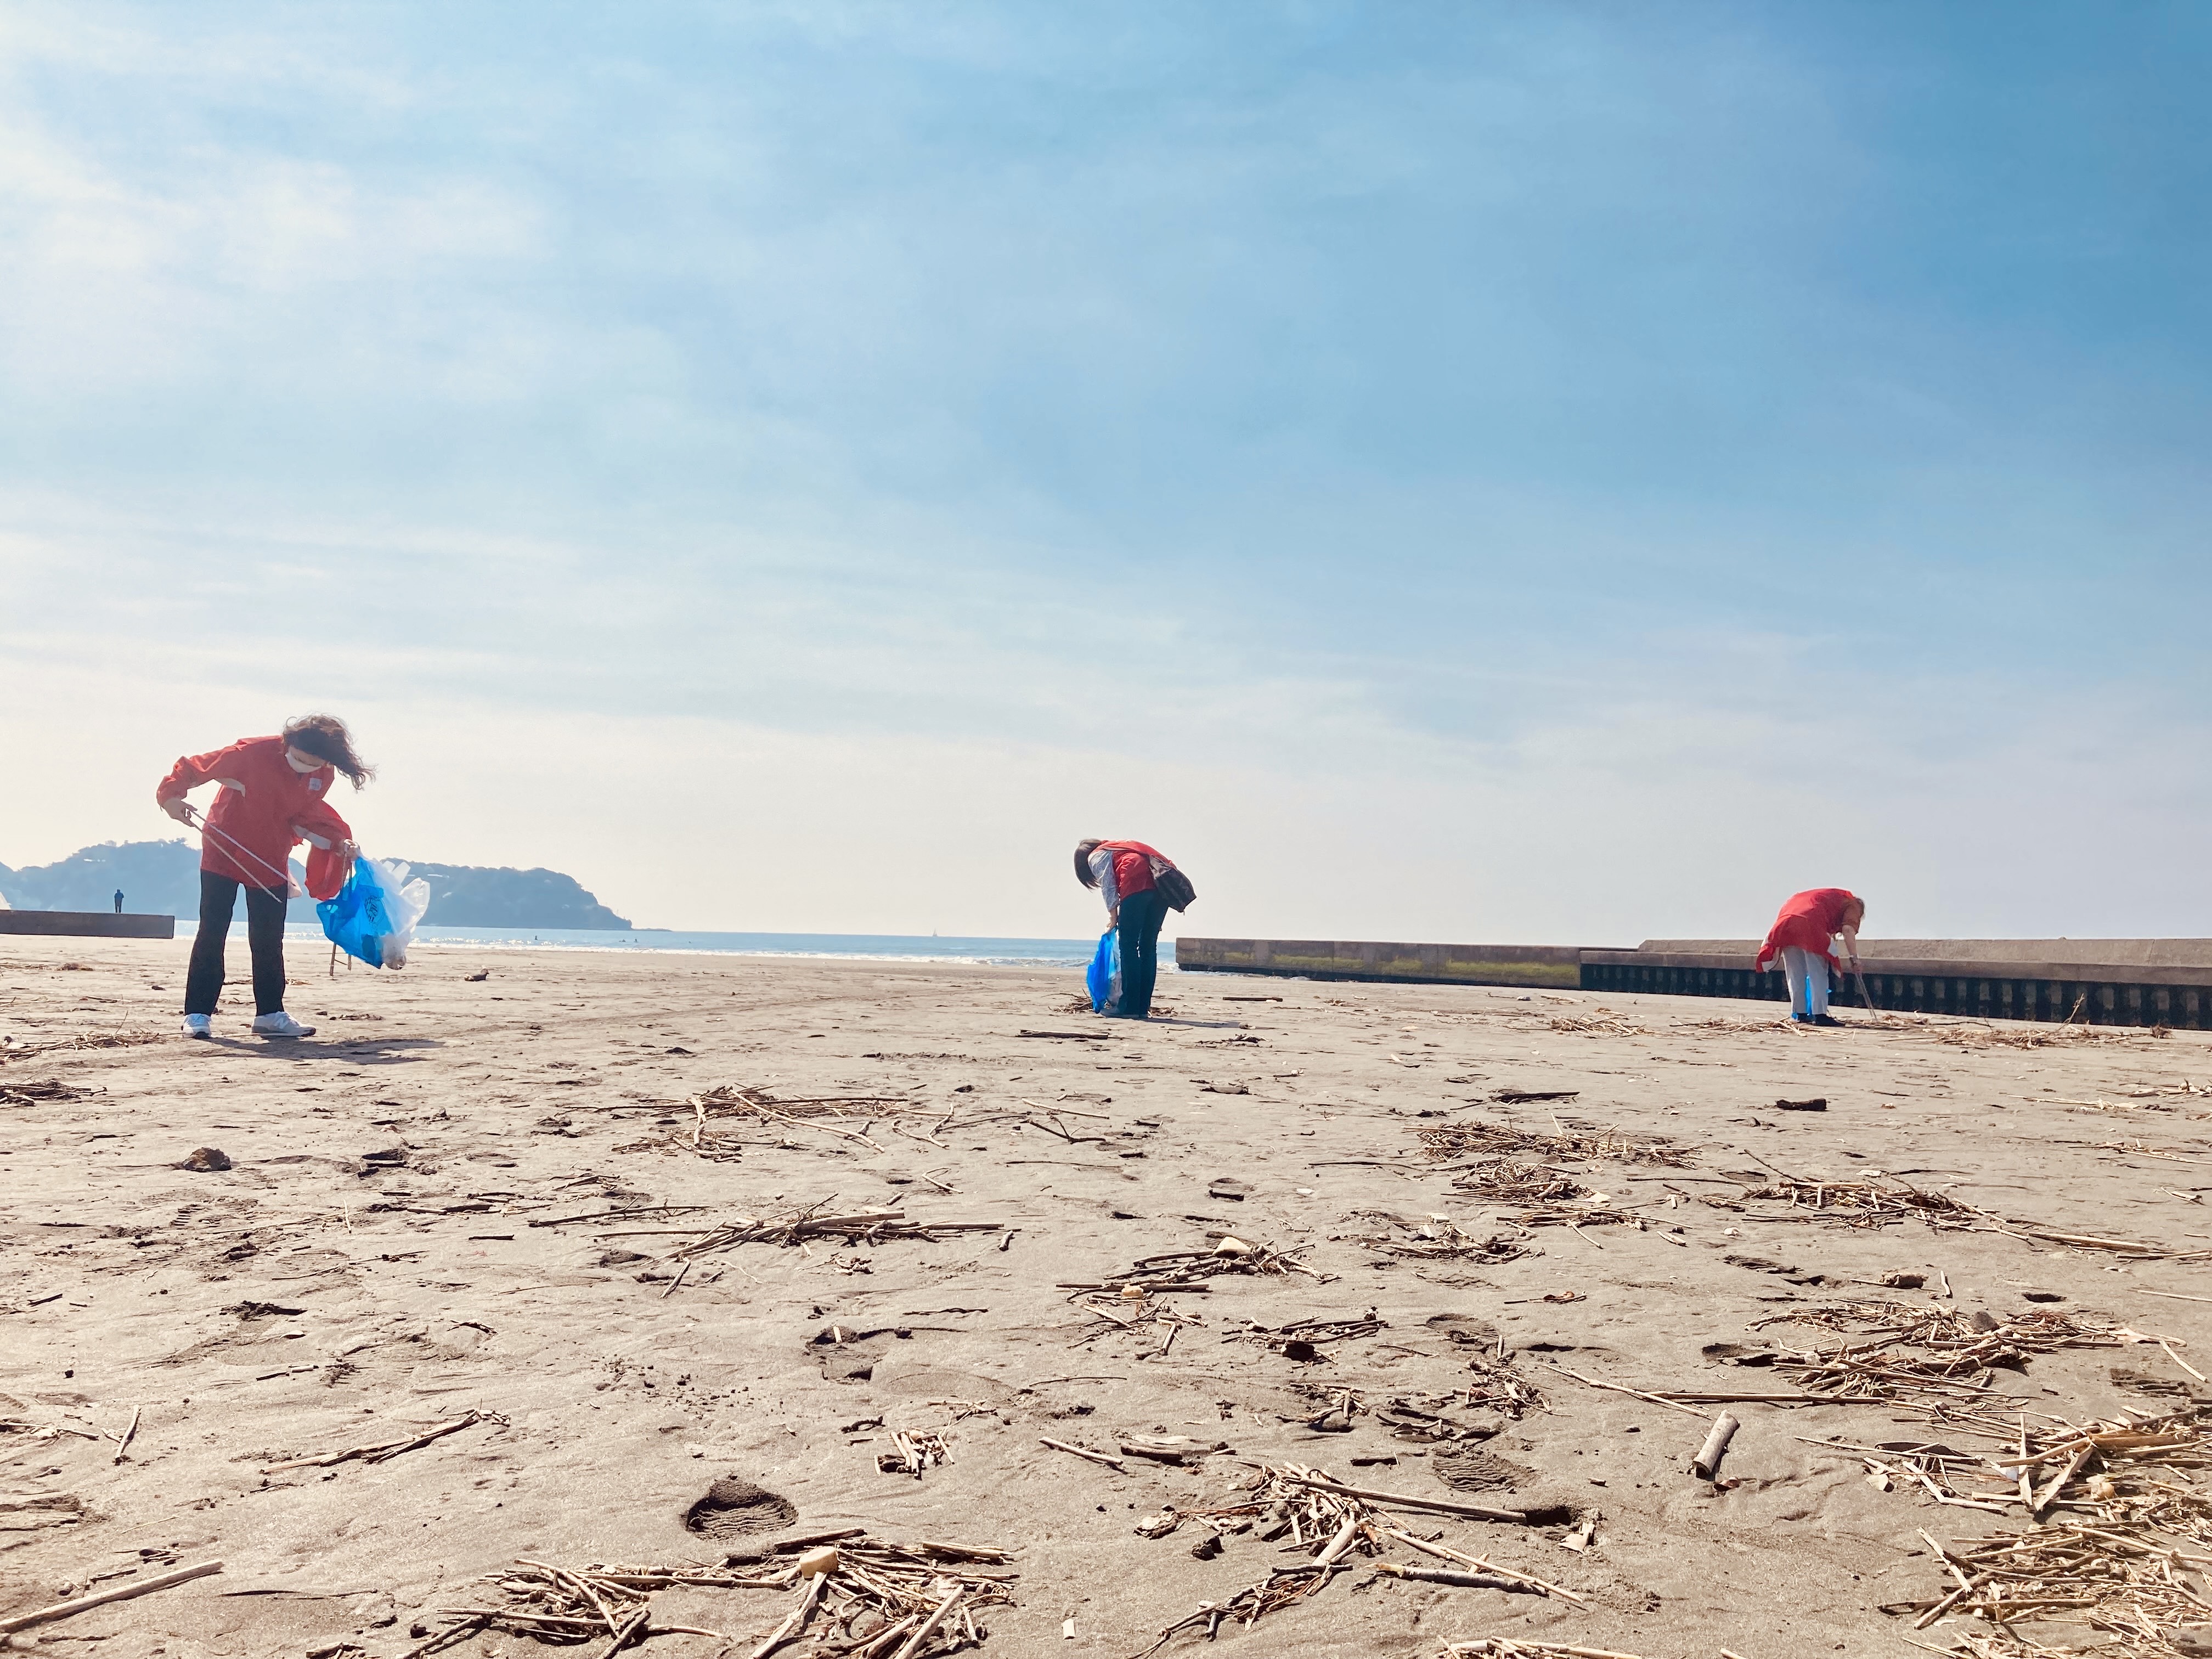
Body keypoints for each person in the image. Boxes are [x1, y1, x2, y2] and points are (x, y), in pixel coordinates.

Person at [155, 715, 370, 1039]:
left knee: (269, 937)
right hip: (223, 848)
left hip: (271, 858)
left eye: (314, 763)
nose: (304, 766)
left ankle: (270, 1014)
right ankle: (198, 1014)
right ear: (287, 744)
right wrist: (171, 797)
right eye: (298, 758)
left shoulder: (322, 775)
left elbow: (305, 814)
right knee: (213, 930)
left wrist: (338, 841)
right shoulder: (251, 753)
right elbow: (195, 767)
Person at [1075, 838, 1177, 1019]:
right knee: (1148, 946)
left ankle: (1128, 1006)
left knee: (1128, 945)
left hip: (1136, 886)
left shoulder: (1096, 855)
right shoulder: (1124, 846)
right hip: (1162, 890)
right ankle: (1142, 1007)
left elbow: (1108, 885)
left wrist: (1113, 918)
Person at [1754, 888, 1864, 1027]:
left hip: (1786, 924)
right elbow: (1848, 929)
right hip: (1811, 925)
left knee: (1795, 972)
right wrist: (1855, 959)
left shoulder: (1825, 897)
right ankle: (1820, 1015)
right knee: (1818, 971)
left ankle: (1800, 1013)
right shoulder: (1853, 904)